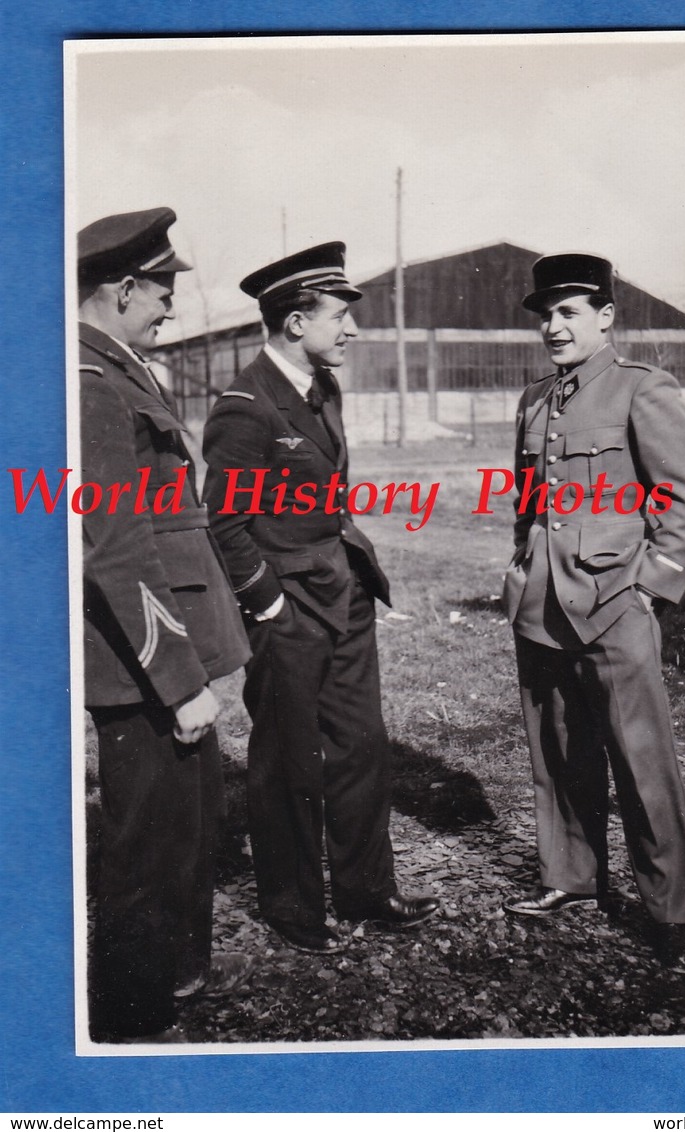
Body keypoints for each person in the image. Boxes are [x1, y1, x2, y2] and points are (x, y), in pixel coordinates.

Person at [202, 242, 438, 955]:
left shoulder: (321, 388)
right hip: (290, 611)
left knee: (363, 746)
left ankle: (370, 890)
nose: (352, 330)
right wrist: (269, 605)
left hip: (344, 595)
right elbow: (225, 522)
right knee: (290, 762)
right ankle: (295, 907)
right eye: (340, 316)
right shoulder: (245, 407)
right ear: (295, 322)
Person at [501, 253, 685, 973]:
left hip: (615, 603)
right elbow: (528, 505)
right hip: (543, 607)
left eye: (568, 312)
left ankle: (673, 911)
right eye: (546, 315)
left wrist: (651, 588)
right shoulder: (534, 400)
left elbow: (682, 502)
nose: (553, 327)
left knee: (642, 760)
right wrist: (518, 568)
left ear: (605, 317)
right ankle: (571, 877)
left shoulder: (640, 391)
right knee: (557, 752)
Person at [78, 207, 254, 1042]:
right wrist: (180, 684)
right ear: (120, 289)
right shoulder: (87, 383)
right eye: (161, 291)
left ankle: (176, 981)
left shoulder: (120, 369)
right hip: (143, 669)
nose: (170, 309)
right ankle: (130, 1022)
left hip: (167, 658)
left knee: (187, 832)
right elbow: (115, 549)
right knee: (144, 852)